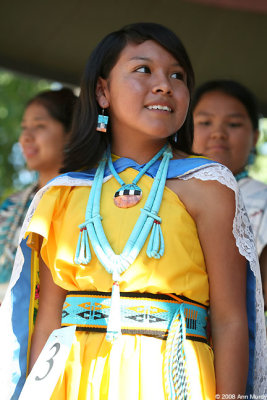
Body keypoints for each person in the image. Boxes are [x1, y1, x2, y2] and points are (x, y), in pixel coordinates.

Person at [0, 23, 266, 400]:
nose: (164, 84)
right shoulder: (62, 193)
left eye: (177, 75)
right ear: (102, 91)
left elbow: (230, 320)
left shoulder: (209, 186)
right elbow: (48, 321)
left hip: (173, 377)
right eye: (144, 70)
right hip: (74, 380)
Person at [192, 79, 267, 324]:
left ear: (255, 137)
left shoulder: (263, 201)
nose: (218, 133)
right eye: (204, 122)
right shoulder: (165, 192)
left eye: (233, 124)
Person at [0, 88, 78, 302]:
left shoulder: (85, 201)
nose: (25, 137)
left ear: (71, 133)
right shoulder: (10, 207)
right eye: (24, 128)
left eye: (39, 126)